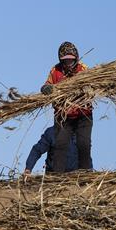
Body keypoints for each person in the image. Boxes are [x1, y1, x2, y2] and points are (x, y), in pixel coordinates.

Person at [40, 42, 93, 172]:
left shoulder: (83, 69)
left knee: (84, 144)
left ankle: (85, 174)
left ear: (76, 58)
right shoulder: (55, 71)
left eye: (71, 59)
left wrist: (87, 89)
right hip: (63, 116)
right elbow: (47, 85)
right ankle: (58, 176)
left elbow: (93, 86)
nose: (68, 62)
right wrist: (46, 89)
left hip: (83, 114)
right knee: (60, 145)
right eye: (65, 60)